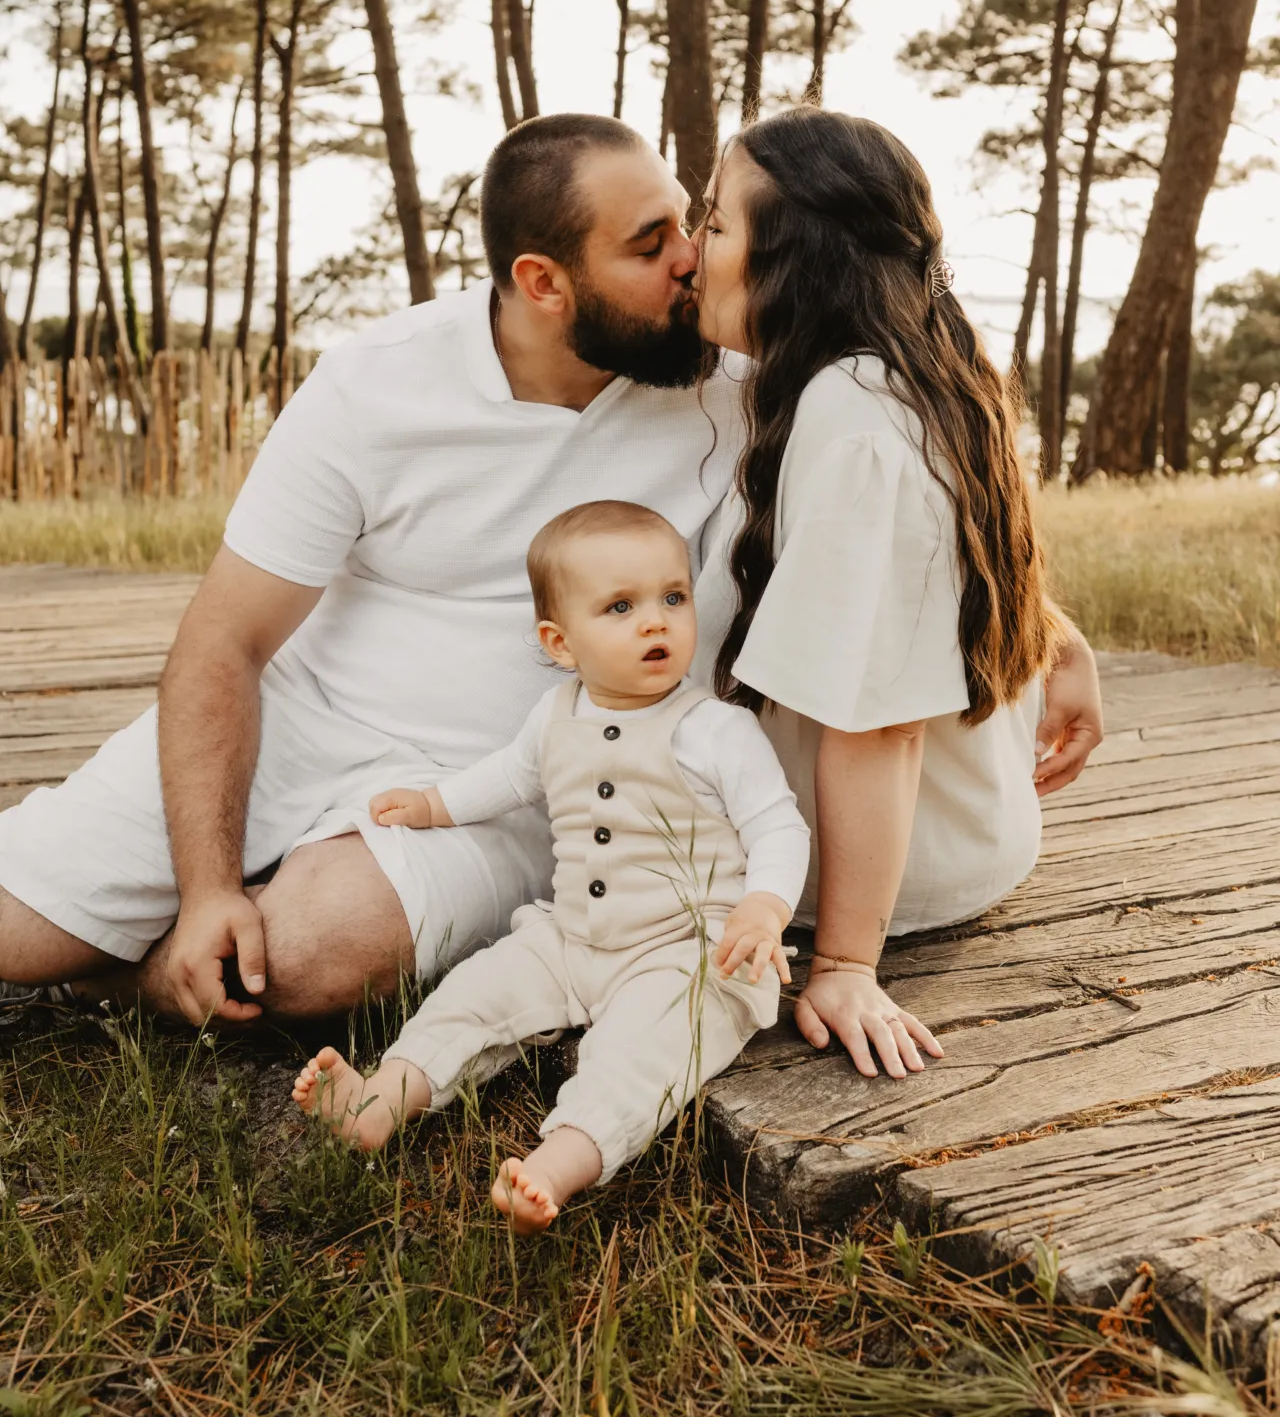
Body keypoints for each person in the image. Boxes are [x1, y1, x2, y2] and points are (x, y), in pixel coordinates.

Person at [0, 110, 1100, 1031]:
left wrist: (1044, 631)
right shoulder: (377, 384)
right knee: (16, 932)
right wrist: (203, 890)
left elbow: (906, 516)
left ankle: (139, 975)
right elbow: (223, 641)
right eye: (652, 242)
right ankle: (166, 917)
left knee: (301, 955)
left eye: (697, 223)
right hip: (310, 722)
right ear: (544, 281)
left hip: (534, 781)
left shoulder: (743, 368)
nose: (688, 258)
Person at [690, 108, 1101, 1079]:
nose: (690, 245)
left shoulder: (858, 420)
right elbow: (930, 568)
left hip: (885, 875)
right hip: (959, 836)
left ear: (793, 264)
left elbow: (878, 723)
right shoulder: (907, 370)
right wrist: (1057, 640)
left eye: (714, 222)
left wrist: (842, 964)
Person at [291, 499, 810, 1233]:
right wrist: (433, 805)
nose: (656, 622)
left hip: (690, 952)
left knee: (644, 1051)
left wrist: (765, 905)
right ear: (560, 643)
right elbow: (507, 777)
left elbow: (778, 824)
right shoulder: (555, 713)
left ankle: (556, 1165)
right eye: (622, 607)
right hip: (571, 937)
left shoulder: (716, 730)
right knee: (473, 994)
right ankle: (379, 1101)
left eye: (673, 598)